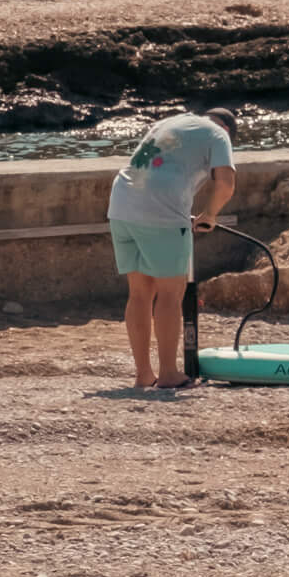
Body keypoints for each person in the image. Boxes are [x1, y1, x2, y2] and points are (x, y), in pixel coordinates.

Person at [106, 108, 237, 391]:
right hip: (161, 211)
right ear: (227, 129)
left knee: (139, 293)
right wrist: (210, 215)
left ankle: (143, 375)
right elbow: (226, 184)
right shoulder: (219, 134)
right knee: (170, 293)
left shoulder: (172, 122)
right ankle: (168, 374)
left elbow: (153, 164)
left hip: (121, 204)